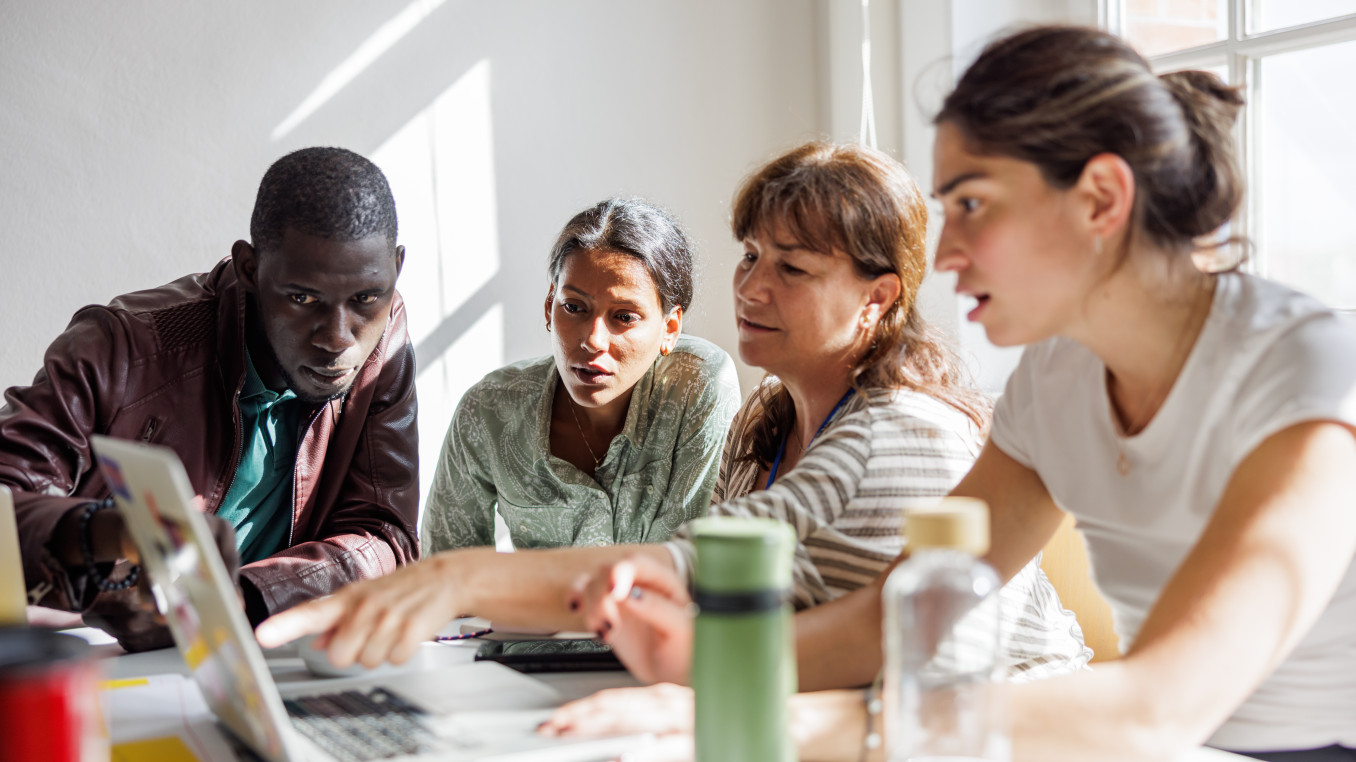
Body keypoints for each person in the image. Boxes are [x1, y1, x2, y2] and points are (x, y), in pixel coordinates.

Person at [544, 25, 1356, 762]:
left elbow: (1156, 707)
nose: (950, 250)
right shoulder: (1056, 376)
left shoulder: (1305, 366)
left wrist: (780, 722)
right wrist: (697, 671)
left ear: (1102, 200)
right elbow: (896, 614)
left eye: (972, 204)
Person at [255, 142, 1088, 682]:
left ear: (876, 302)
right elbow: (727, 606)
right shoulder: (769, 423)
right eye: (752, 256)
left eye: (792, 269)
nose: (752, 287)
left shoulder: (895, 436)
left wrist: (453, 580)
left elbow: (689, 571)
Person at [5, 147, 420, 652]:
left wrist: (241, 600)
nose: (338, 338)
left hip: (261, 657)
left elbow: (387, 537)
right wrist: (107, 538)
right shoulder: (120, 347)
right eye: (302, 298)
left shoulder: (384, 339)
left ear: (395, 270)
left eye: (365, 298)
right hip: (91, 658)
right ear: (249, 267)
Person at [421, 199, 740, 553]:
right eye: (573, 308)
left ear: (670, 328)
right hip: (527, 609)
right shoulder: (489, 410)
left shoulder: (699, 386)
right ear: (549, 307)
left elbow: (698, 559)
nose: (592, 341)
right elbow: (445, 566)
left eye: (624, 317)